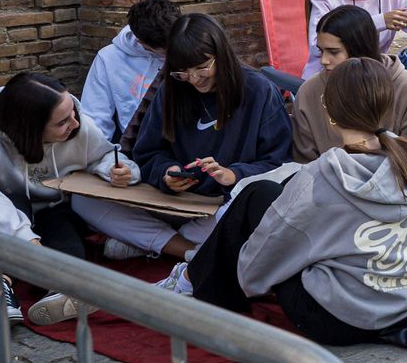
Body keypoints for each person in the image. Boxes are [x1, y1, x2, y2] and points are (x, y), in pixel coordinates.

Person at [159, 59, 407, 346]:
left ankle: (193, 279)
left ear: (331, 112)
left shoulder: (323, 174)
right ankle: (193, 275)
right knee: (271, 193)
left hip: (343, 319)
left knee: (257, 198)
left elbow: (264, 257)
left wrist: (249, 274)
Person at [0, 72, 139, 331]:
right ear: (30, 127)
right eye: (63, 122)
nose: (75, 123)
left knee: (68, 244)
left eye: (74, 112)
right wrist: (25, 237)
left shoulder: (74, 119)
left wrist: (115, 170)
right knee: (10, 213)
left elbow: (104, 154)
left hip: (56, 207)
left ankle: (63, 288)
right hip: (8, 209)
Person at [119, 15, 293, 260]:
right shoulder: (172, 89)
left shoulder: (258, 90)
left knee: (244, 216)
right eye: (183, 72)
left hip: (226, 206)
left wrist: (233, 175)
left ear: (221, 54)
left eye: (202, 67)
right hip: (175, 204)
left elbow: (282, 164)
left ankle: (158, 243)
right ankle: (186, 247)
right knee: (86, 205)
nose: (194, 79)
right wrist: (167, 173)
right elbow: (147, 152)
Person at [293, 6, 407, 165]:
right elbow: (304, 161)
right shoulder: (309, 91)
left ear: (360, 49)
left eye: (333, 52)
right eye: (321, 51)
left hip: (395, 185)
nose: (324, 60)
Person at [82, 0, 180, 144]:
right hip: (136, 143)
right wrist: (104, 158)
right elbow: (96, 118)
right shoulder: (108, 58)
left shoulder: (186, 46)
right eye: (163, 51)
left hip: (182, 140)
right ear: (141, 43)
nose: (172, 52)